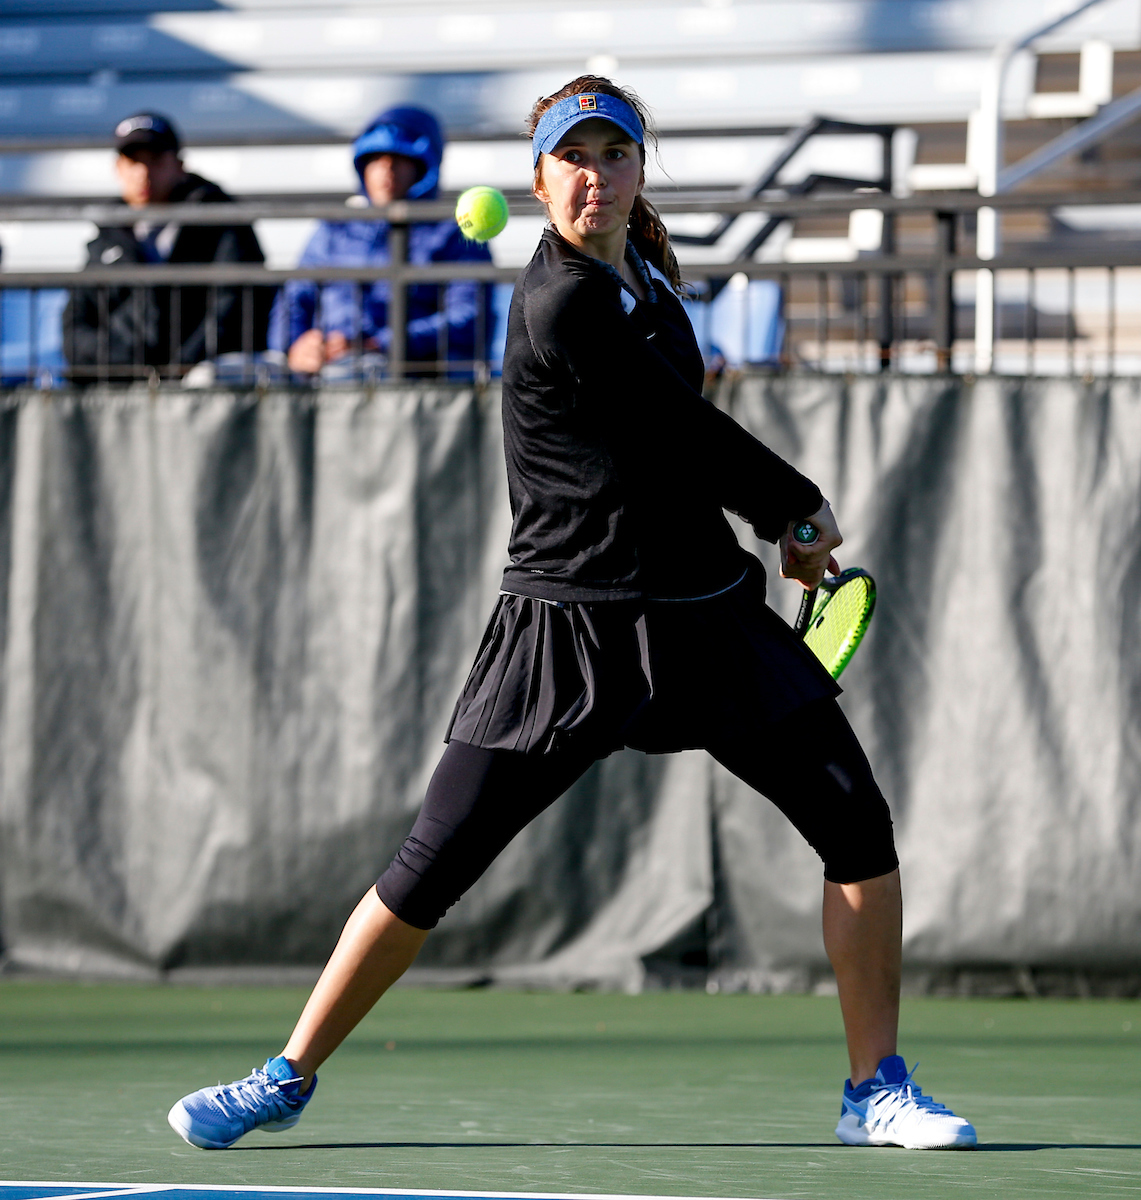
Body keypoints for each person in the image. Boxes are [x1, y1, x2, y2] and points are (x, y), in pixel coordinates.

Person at [167, 77, 977, 1153]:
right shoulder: (564, 301)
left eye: (615, 153)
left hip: (704, 614)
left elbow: (671, 443)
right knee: (429, 866)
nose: (595, 173)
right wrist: (798, 508)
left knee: (855, 828)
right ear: (540, 177)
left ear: (641, 172)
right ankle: (284, 1075)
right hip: (568, 629)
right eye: (573, 156)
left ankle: (874, 1088)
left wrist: (768, 544)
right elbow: (678, 429)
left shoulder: (643, 273)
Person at [268, 106, 493, 379]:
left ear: (424, 166)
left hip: (411, 374)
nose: (386, 168)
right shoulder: (332, 228)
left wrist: (380, 344)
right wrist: (294, 346)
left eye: (400, 158)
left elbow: (468, 315)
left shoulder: (456, 233)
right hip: (322, 367)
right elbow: (294, 299)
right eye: (375, 157)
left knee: (347, 375)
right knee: (225, 376)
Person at [62, 112, 271, 380]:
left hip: (200, 386)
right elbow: (76, 327)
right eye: (133, 161)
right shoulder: (106, 236)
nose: (143, 173)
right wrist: (135, 368)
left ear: (179, 165)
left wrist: (177, 371)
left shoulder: (223, 223)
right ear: (118, 169)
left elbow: (235, 310)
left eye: (155, 160)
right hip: (122, 386)